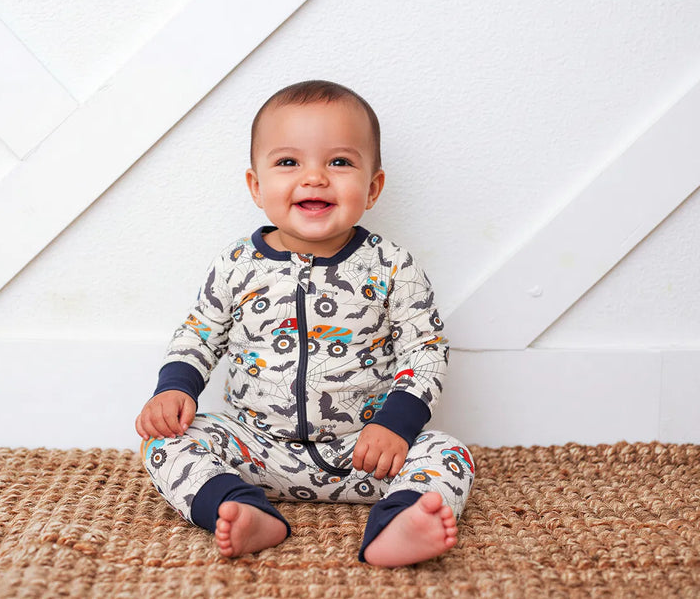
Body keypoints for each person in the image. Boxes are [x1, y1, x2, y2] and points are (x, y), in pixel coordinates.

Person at [135, 80, 474, 567]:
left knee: (447, 452)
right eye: (289, 162)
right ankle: (240, 507)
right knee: (165, 445)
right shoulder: (236, 265)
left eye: (339, 162)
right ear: (257, 186)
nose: (314, 178)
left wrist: (394, 425)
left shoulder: (391, 266)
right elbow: (200, 333)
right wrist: (174, 388)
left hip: (365, 452)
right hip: (256, 452)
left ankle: (400, 520)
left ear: (372, 188)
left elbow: (425, 349)